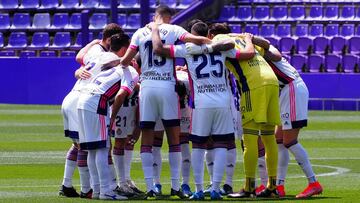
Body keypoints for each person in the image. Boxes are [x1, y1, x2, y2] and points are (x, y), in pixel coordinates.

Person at [120, 5, 211, 199]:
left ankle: (152, 186)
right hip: (167, 86)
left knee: (148, 137)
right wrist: (211, 41)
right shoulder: (175, 30)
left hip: (147, 87)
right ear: (170, 17)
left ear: (155, 16)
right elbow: (195, 40)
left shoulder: (139, 32)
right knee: (174, 138)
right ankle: (176, 186)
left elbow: (126, 60)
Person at [150, 21, 244, 200]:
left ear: (192, 34)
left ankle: (199, 190)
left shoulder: (187, 49)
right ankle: (216, 188)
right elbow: (242, 53)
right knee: (221, 144)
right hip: (223, 101)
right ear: (208, 34)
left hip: (201, 102)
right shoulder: (220, 47)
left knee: (199, 146)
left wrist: (155, 29)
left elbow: (159, 49)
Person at [208, 23, 280, 198]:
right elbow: (273, 51)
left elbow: (218, 48)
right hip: (272, 81)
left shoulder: (219, 38)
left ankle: (249, 187)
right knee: (269, 138)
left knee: (249, 139)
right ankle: (272, 186)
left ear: (211, 34)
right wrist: (250, 38)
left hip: (253, 86)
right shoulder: (242, 38)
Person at [59, 23, 124, 198]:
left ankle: (67, 184)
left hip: (72, 97)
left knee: (79, 145)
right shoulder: (107, 56)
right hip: (82, 99)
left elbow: (80, 57)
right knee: (87, 147)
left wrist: (90, 45)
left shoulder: (96, 51)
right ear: (110, 40)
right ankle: (87, 188)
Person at [77, 33, 138, 200]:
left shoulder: (108, 63)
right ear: (127, 50)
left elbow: (81, 59)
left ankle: (97, 190)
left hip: (83, 100)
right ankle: (106, 191)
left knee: (92, 149)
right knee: (103, 148)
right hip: (98, 102)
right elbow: (120, 96)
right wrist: (112, 118)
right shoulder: (130, 70)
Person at [258, 45, 323, 198]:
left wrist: (254, 44)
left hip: (292, 88)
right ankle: (279, 186)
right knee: (279, 140)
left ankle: (313, 183)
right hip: (286, 91)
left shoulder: (260, 48)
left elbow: (277, 55)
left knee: (289, 141)